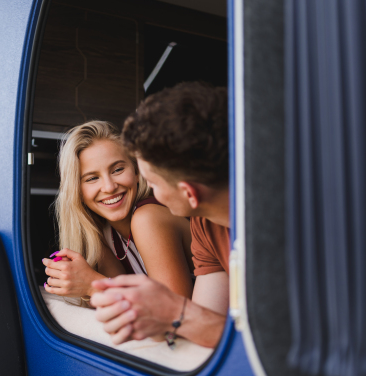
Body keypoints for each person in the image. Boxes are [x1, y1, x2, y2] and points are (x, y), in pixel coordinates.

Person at [90, 83, 230, 348]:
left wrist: (173, 314)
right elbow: (203, 330)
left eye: (152, 184)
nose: (149, 193)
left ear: (189, 193)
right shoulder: (204, 223)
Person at [42, 121, 194, 307]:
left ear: (137, 172)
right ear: (78, 192)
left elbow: (175, 312)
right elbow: (121, 303)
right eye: (92, 178)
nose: (109, 186)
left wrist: (92, 285)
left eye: (118, 170)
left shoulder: (148, 217)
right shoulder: (103, 233)